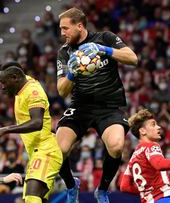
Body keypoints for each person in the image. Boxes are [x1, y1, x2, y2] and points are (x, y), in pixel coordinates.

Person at [56, 7, 138, 203]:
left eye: (65, 28)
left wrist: (105, 50)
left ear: (80, 26)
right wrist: (71, 74)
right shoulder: (65, 52)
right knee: (57, 151)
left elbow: (133, 58)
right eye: (61, 29)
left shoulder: (105, 38)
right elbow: (61, 90)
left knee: (117, 147)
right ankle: (70, 184)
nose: (62, 33)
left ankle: (101, 190)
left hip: (108, 107)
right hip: (80, 107)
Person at [0, 47, 63, 203]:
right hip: (36, 153)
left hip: (46, 151)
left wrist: (4, 130)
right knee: (33, 200)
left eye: (4, 83)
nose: (3, 87)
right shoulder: (21, 81)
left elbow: (37, 122)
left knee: (32, 198)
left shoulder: (34, 93)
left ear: (15, 78)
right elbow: (2, 72)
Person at [120, 109, 170, 203]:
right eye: (153, 124)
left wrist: (147, 191)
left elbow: (124, 186)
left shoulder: (133, 157)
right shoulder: (151, 146)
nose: (158, 127)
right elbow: (159, 164)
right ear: (143, 131)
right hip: (165, 199)